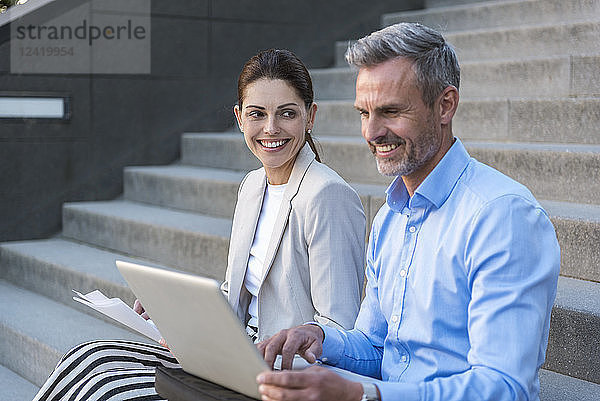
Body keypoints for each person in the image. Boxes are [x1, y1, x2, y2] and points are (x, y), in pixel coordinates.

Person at [32, 49, 366, 401]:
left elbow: (338, 329)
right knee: (88, 357)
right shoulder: (253, 186)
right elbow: (238, 298)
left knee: (109, 391)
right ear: (239, 118)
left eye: (287, 113)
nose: (270, 128)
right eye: (257, 114)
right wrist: (176, 313)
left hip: (276, 374)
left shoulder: (327, 195)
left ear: (309, 117)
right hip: (229, 355)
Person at [256, 23, 560, 401]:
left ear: (445, 105)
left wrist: (363, 394)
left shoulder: (503, 217)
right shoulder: (391, 217)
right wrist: (321, 337)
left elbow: (503, 387)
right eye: (364, 113)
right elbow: (380, 349)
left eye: (391, 111)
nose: (372, 132)